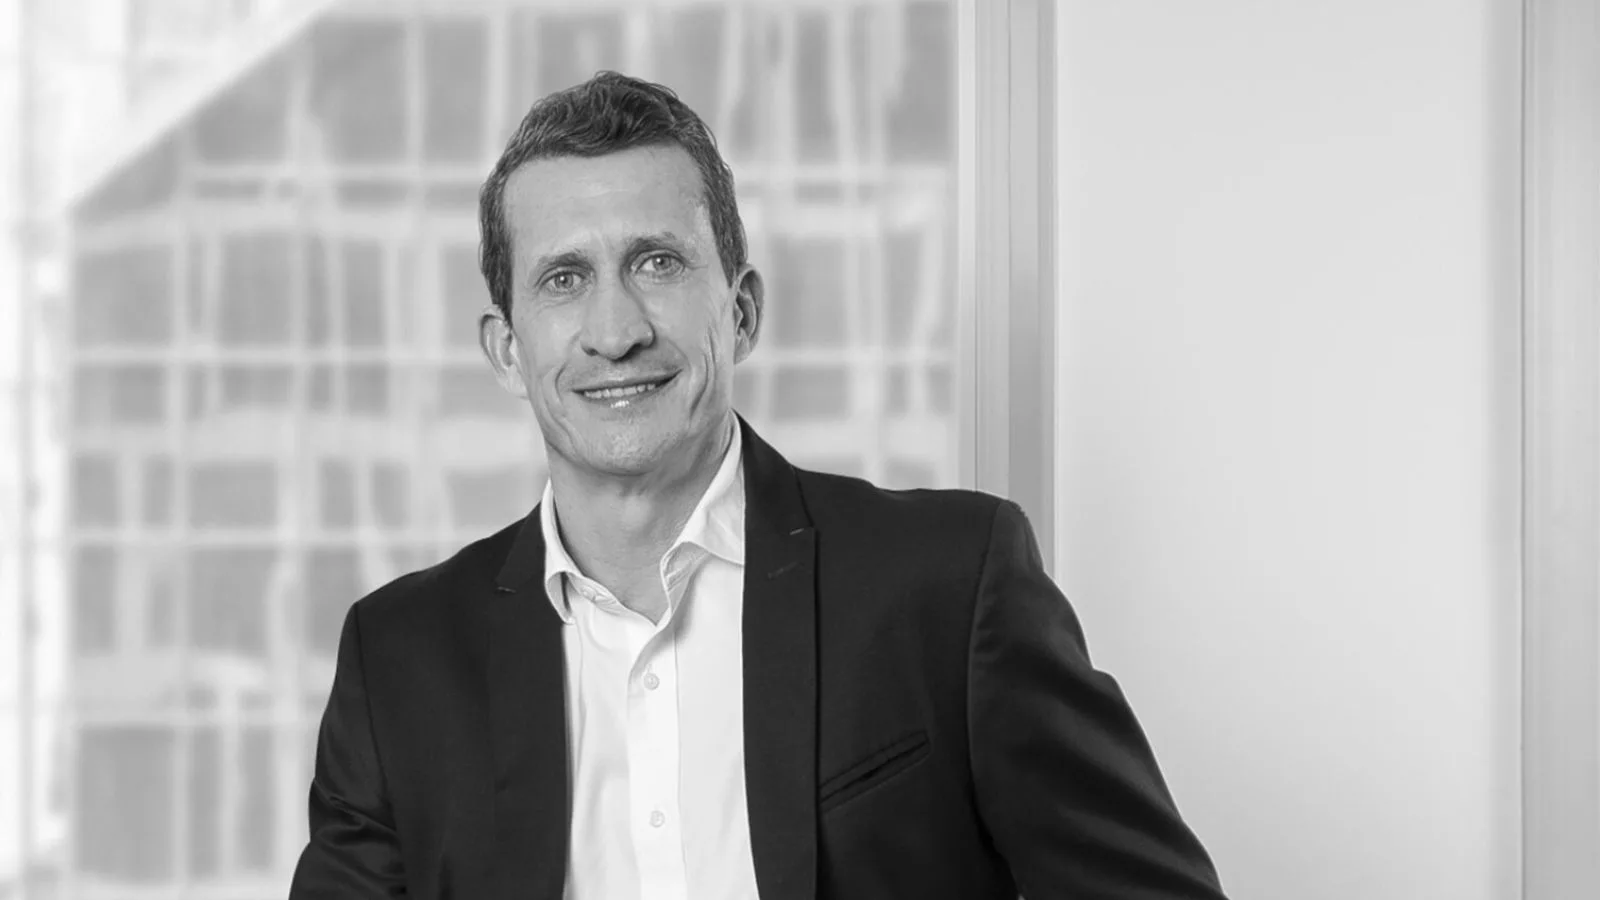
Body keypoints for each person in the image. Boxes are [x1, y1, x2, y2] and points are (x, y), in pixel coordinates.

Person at [288, 71, 1226, 900]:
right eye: (565, 279)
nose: (615, 331)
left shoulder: (950, 587)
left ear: (741, 311)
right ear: (506, 349)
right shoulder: (400, 660)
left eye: (657, 263)